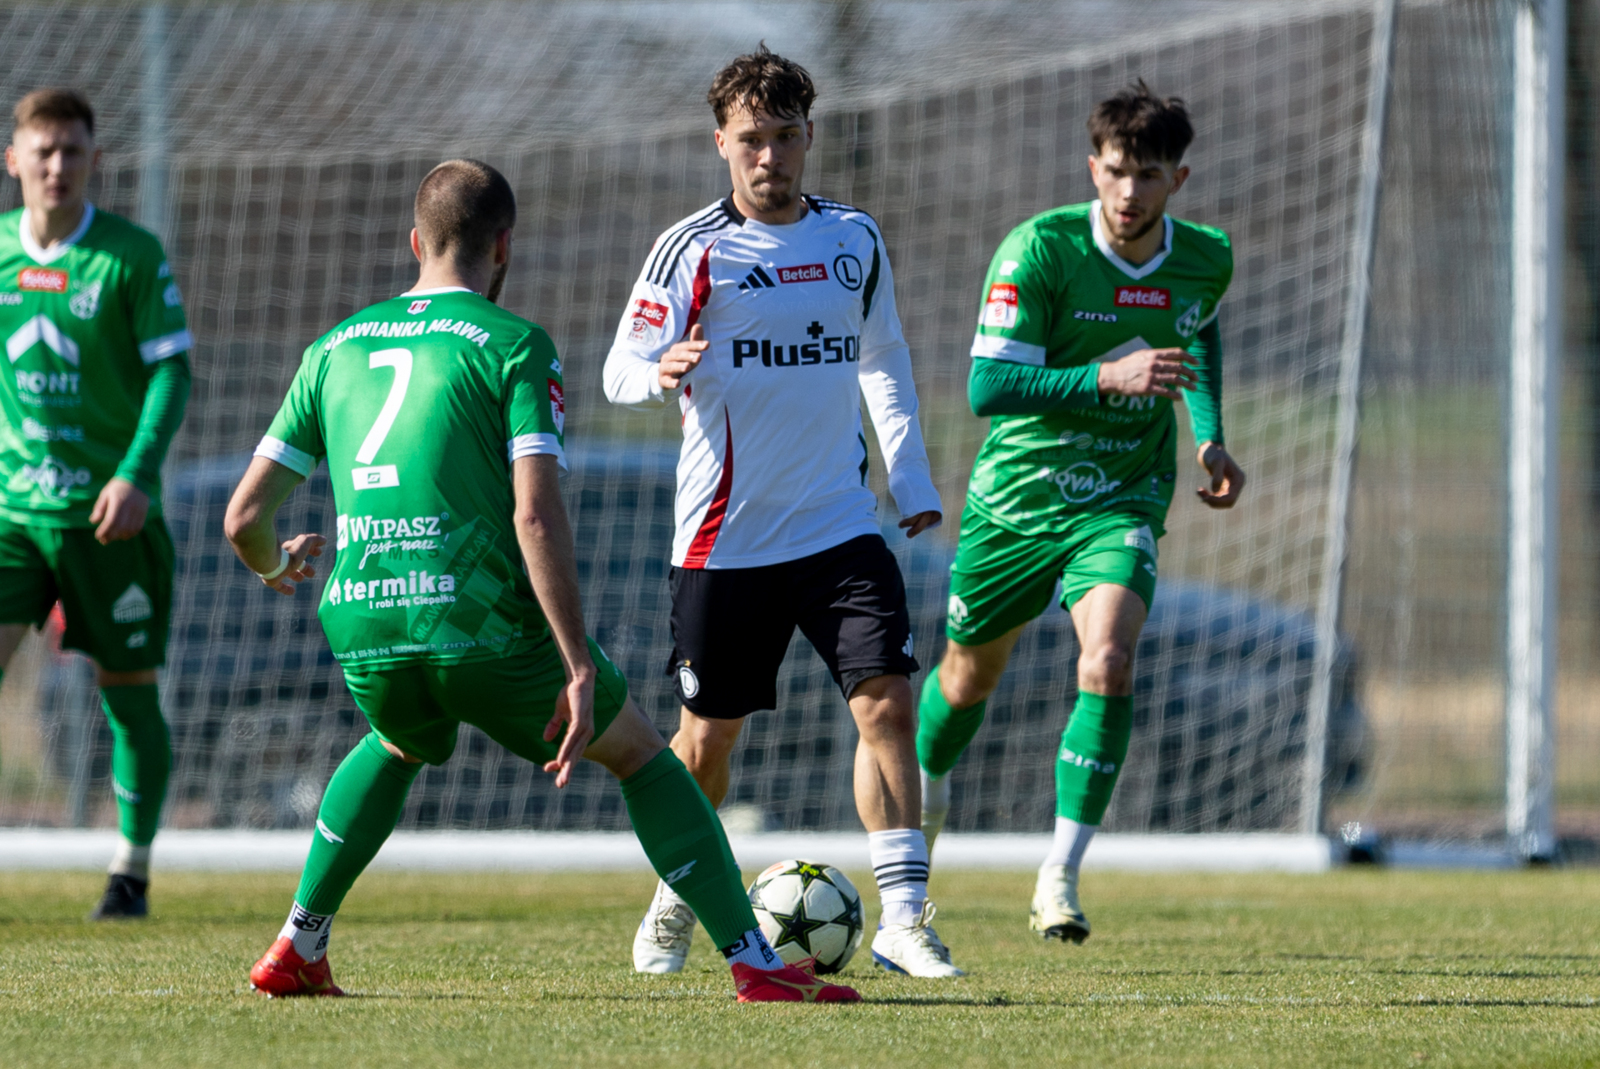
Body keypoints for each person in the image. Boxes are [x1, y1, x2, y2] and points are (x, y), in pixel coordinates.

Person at [225, 158, 856, 1003]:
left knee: (400, 741)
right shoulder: (517, 345)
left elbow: (242, 518)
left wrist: (274, 563)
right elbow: (534, 516)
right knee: (641, 755)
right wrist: (578, 661)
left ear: (416, 243)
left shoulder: (332, 347)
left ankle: (300, 941)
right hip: (478, 622)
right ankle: (756, 960)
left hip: (363, 619)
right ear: (505, 249)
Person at [604, 46, 957, 979]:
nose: (770, 157)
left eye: (786, 137)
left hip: (842, 525)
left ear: (810, 138)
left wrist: (910, 481)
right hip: (725, 540)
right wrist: (658, 372)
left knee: (887, 704)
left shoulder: (853, 239)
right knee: (706, 744)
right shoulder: (692, 249)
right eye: (751, 139)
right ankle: (678, 899)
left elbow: (883, 357)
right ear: (721, 141)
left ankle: (907, 920)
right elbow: (617, 367)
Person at [916, 82, 1247, 943]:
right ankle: (928, 790)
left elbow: (1197, 330)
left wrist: (1206, 436)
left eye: (1147, 175)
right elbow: (989, 388)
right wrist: (1107, 375)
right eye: (1114, 172)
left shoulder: (1207, 254)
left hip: (1122, 496)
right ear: (1090, 167)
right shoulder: (1041, 249)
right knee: (964, 681)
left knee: (1107, 659)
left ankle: (1059, 876)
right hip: (1017, 500)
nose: (1129, 192)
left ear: (1179, 177)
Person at [0, 88, 192, 919]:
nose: (56, 166)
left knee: (127, 692)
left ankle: (131, 869)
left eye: (72, 150)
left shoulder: (129, 256)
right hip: (13, 512)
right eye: (42, 150)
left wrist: (135, 473)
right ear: (13, 160)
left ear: (93, 161)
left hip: (108, 515)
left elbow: (171, 372)